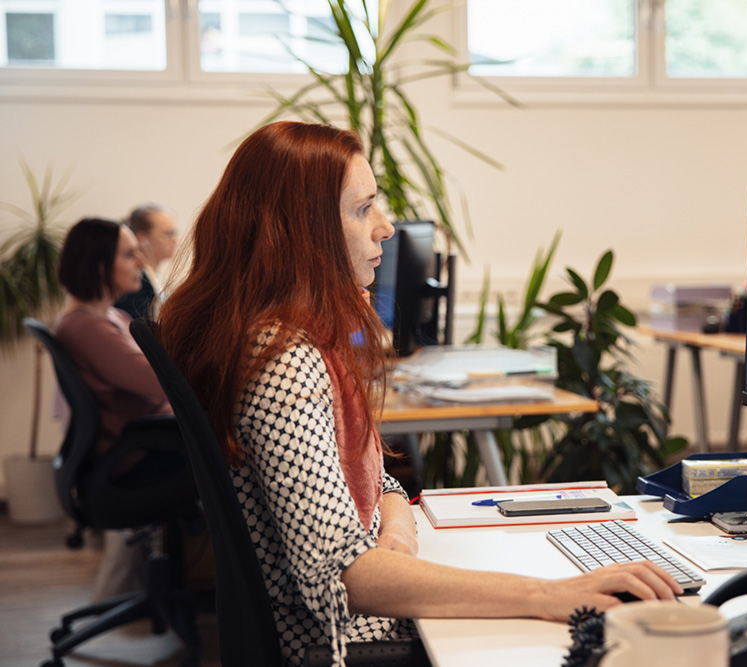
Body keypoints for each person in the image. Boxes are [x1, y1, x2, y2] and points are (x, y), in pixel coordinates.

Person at [157, 121, 681, 667]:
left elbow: (378, 484)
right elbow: (346, 574)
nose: (385, 227)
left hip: (370, 626)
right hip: (350, 646)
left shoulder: (303, 338)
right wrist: (547, 596)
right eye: (363, 210)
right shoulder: (284, 361)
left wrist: (399, 539)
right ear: (302, 232)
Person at [55, 217, 175, 600]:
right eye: (128, 254)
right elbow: (162, 383)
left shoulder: (113, 317)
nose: (141, 261)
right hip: (133, 459)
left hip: (141, 445)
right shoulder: (87, 328)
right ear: (98, 265)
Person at [114, 203, 178, 319]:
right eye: (168, 234)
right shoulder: (136, 280)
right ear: (142, 238)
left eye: (174, 233)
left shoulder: (155, 277)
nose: (175, 240)